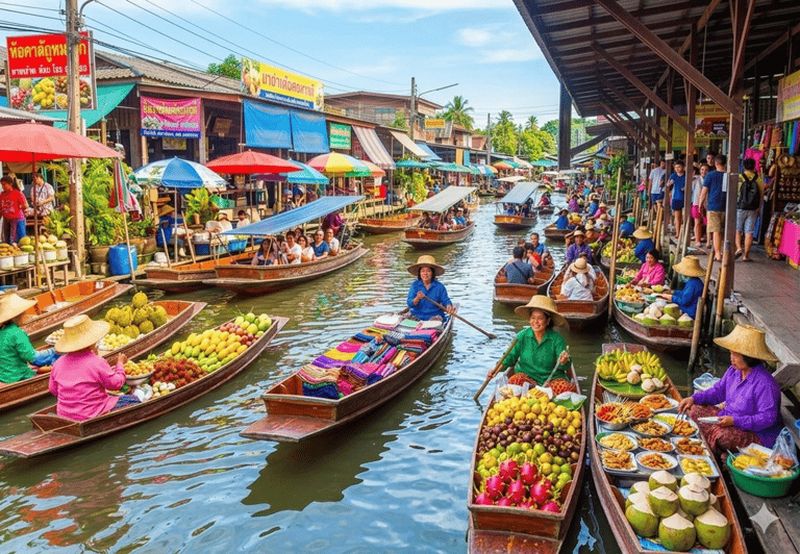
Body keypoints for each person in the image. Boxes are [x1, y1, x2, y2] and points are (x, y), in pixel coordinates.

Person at [678, 324, 781, 454]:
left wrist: (735, 421)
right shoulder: (734, 371)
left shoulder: (765, 384)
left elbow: (767, 418)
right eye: (731, 353)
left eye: (735, 355)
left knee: (723, 436)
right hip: (728, 419)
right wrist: (693, 398)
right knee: (694, 409)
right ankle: (713, 444)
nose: (731, 358)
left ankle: (715, 448)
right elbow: (718, 392)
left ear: (748, 357)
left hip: (755, 433)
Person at [49, 315, 136, 421]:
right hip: (91, 413)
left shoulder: (58, 363)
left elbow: (53, 390)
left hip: (64, 415)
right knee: (134, 400)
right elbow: (116, 384)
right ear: (92, 341)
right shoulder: (96, 361)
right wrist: (120, 364)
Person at [495, 295, 574, 389]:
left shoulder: (557, 339)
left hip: (551, 380)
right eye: (533, 318)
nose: (535, 322)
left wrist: (564, 361)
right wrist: (495, 370)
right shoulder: (522, 336)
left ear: (548, 321)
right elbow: (510, 357)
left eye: (540, 318)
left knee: (565, 388)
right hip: (527, 379)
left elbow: (564, 366)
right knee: (514, 381)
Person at [0, 293, 58, 384]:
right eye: (24, 312)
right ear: (18, 315)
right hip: (18, 376)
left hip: (3, 376)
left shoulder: (2, 331)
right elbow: (33, 358)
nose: (26, 314)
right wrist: (56, 351)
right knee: (58, 355)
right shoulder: (16, 333)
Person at [406, 255, 455, 320]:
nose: (425, 273)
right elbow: (410, 303)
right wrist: (417, 298)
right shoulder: (415, 285)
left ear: (432, 273)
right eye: (423, 271)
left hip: (434, 316)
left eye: (428, 271)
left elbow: (445, 300)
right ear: (420, 273)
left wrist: (449, 306)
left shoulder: (439, 286)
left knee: (435, 325)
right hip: (417, 315)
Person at [698, 154, 727, 261]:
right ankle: (723, 251)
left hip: (713, 206)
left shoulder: (710, 175)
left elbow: (704, 191)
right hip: (726, 206)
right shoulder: (728, 175)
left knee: (716, 231)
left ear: (715, 164)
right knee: (723, 230)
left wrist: (700, 204)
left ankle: (718, 254)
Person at [735, 158, 764, 262]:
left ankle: (738, 248)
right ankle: (746, 256)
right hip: (753, 209)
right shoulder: (759, 179)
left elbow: (735, 194)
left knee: (738, 230)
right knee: (749, 232)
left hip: (740, 207)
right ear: (754, 166)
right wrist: (758, 209)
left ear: (744, 166)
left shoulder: (739, 177)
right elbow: (761, 196)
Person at [0, 175, 28, 244]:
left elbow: (26, 205)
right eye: (1, 185)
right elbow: (1, 208)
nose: (3, 186)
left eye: (4, 184)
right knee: (7, 241)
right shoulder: (2, 195)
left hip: (17, 220)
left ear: (10, 184)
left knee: (17, 241)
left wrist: (17, 208)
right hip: (6, 220)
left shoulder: (17, 193)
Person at [666, 160, 686, 239]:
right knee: (677, 217)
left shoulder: (686, 175)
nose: (677, 169)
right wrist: (670, 183)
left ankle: (684, 233)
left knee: (685, 217)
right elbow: (667, 185)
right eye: (676, 167)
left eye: (679, 167)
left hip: (686, 199)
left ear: (683, 167)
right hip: (676, 198)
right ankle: (678, 233)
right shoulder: (673, 175)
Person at [691, 163, 709, 248]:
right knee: (697, 223)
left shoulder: (710, 179)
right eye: (702, 170)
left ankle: (709, 241)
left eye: (706, 170)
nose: (704, 172)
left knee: (708, 224)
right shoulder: (695, 180)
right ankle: (697, 240)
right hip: (696, 203)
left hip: (707, 204)